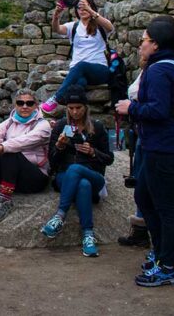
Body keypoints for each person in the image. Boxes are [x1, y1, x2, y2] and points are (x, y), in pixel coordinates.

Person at [115, 17, 174, 287]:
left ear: (156, 44)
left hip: (165, 147)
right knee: (144, 197)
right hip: (159, 146)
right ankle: (160, 254)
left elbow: (158, 110)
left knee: (167, 208)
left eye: (144, 40)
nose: (140, 45)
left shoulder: (159, 71)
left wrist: (130, 108)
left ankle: (169, 266)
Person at [42, 86, 113, 257]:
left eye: (78, 108)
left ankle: (59, 216)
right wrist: (59, 146)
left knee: (80, 173)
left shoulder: (97, 127)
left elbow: (109, 159)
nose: (74, 112)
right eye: (70, 108)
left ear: (86, 107)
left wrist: (93, 152)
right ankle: (88, 235)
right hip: (66, 176)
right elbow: (52, 161)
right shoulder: (61, 126)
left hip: (93, 174)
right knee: (82, 185)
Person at [0, 89, 51, 222]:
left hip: (34, 178)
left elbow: (24, 141)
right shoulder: (11, 121)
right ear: (15, 105)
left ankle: (5, 200)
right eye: (20, 103)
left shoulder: (43, 125)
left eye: (29, 103)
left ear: (36, 105)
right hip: (11, 176)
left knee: (10, 149)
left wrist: (3, 147)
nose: (25, 106)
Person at [41, 0, 114, 115]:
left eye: (85, 6)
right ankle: (78, 117)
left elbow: (110, 27)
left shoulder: (100, 25)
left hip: (100, 70)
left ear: (91, 7)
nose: (82, 9)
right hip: (78, 71)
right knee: (79, 84)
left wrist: (90, 11)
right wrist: (56, 15)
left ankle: (56, 99)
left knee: (81, 65)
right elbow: (57, 29)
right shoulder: (73, 26)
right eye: (79, 7)